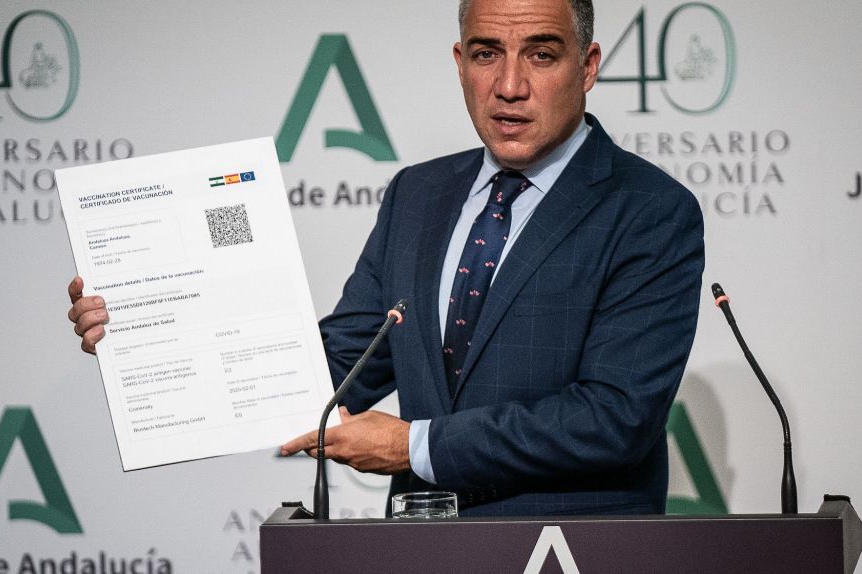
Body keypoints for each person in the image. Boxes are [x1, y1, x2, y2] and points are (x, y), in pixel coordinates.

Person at [68, 0, 704, 517]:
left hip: (570, 549)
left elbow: (615, 418)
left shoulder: (650, 210)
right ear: (460, 62)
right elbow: (340, 365)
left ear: (587, 66)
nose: (510, 86)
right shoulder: (418, 195)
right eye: (487, 53)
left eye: (541, 54)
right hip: (421, 547)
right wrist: (150, 340)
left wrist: (416, 446)